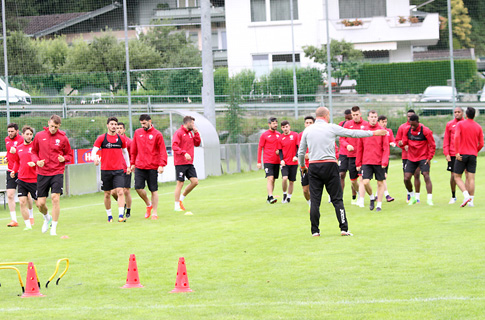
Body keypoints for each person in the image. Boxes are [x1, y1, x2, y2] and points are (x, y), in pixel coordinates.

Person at [298, 107, 386, 237]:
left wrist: (302, 166)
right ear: (326, 115)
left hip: (314, 166)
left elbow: (301, 152)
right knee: (337, 199)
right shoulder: (331, 127)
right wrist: (373, 133)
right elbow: (352, 133)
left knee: (315, 200)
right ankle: (344, 229)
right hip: (330, 166)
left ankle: (315, 231)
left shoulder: (307, 130)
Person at [31, 114, 72, 236]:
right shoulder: (39, 136)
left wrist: (63, 158)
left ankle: (53, 228)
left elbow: (69, 155)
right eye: (51, 126)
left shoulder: (63, 138)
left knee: (55, 198)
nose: (53, 129)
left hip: (57, 172)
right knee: (40, 203)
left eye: (55, 127)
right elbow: (33, 152)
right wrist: (37, 161)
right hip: (42, 173)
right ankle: (47, 218)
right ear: (48, 123)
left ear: (59, 126)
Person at [92, 117, 131, 223]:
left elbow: (125, 153)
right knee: (107, 194)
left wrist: (128, 166)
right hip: (105, 170)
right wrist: (94, 159)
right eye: (112, 124)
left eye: (115, 124)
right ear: (107, 125)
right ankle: (109, 216)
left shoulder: (121, 139)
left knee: (120, 191)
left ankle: (120, 215)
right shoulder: (101, 138)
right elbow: (94, 151)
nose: (114, 126)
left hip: (118, 170)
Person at [130, 114, 167, 220]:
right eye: (141, 123)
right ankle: (148, 204)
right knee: (138, 188)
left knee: (153, 190)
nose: (143, 125)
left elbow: (162, 151)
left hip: (152, 166)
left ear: (150, 121)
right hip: (140, 166)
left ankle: (154, 212)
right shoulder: (137, 133)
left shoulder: (157, 134)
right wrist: (132, 163)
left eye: (144, 123)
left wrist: (161, 165)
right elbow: (133, 149)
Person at [356, 111, 389, 212]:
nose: (373, 119)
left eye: (375, 117)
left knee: (380, 183)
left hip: (379, 162)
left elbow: (386, 147)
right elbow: (360, 147)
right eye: (372, 117)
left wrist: (384, 161)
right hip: (367, 161)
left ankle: (379, 205)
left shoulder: (382, 131)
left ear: (377, 118)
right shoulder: (364, 131)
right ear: (368, 118)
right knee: (365, 182)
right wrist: (358, 163)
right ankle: (371, 197)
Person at [9, 126, 39, 231]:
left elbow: (41, 161)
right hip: (21, 179)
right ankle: (28, 226)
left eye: (31, 134)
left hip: (34, 179)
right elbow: (17, 162)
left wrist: (34, 163)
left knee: (39, 204)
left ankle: (47, 218)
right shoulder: (19, 148)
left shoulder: (36, 147)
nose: (29, 136)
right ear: (22, 135)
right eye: (27, 134)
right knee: (22, 202)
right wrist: (14, 171)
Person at [401, 114, 436, 206]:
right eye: (410, 125)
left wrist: (429, 158)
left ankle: (429, 199)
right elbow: (404, 142)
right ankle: (412, 197)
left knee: (426, 175)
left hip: (423, 157)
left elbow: (432, 145)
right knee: (406, 178)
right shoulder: (407, 130)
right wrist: (401, 143)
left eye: (414, 125)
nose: (412, 127)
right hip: (411, 158)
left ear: (418, 122)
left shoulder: (426, 131)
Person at [453, 107, 484, 207]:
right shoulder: (478, 127)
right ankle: (471, 202)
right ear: (474, 115)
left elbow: (456, 137)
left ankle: (466, 195)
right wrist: (475, 151)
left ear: (465, 115)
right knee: (471, 178)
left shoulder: (460, 124)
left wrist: (457, 152)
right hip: (472, 155)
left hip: (462, 154)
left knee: (457, 177)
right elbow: (482, 144)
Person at [4, 123, 34, 227]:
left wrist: (15, 150)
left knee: (27, 196)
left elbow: (22, 152)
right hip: (11, 170)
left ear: (17, 131)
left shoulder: (23, 139)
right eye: (8, 132)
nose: (10, 133)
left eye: (12, 131)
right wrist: (6, 157)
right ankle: (14, 220)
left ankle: (31, 216)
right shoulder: (7, 140)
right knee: (10, 195)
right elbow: (10, 153)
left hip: (22, 171)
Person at [172, 116, 201, 212]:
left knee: (195, 181)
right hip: (180, 163)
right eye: (192, 123)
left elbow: (197, 143)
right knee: (180, 183)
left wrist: (196, 133)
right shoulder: (179, 133)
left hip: (189, 162)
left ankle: (181, 199)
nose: (193, 125)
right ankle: (176, 206)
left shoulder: (190, 133)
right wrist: (184, 153)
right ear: (188, 123)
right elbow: (174, 146)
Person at [341, 106, 368, 207]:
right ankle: (359, 193)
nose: (355, 117)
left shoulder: (366, 124)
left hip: (363, 156)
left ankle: (361, 199)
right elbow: (342, 138)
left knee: (362, 178)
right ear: (351, 115)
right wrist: (347, 145)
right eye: (353, 115)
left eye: (357, 115)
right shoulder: (347, 124)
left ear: (360, 114)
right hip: (351, 156)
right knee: (353, 181)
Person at [396, 110, 421, 203]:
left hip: (417, 156)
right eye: (408, 116)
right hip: (406, 156)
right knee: (407, 177)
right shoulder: (402, 127)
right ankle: (410, 194)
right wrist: (402, 144)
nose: (409, 118)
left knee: (417, 175)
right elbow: (397, 140)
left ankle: (417, 197)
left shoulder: (420, 127)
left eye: (411, 116)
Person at [111, 122, 133, 218]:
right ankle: (122, 203)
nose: (119, 129)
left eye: (121, 128)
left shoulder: (129, 141)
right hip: (115, 168)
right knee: (113, 192)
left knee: (126, 190)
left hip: (125, 168)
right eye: (117, 128)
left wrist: (131, 166)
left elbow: (132, 154)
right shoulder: (112, 141)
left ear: (124, 130)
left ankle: (128, 210)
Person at [443, 107, 464, 204]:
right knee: (453, 176)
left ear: (462, 113)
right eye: (455, 112)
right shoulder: (450, 124)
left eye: (458, 112)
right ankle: (453, 196)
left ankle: (468, 196)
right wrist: (446, 153)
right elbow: (446, 139)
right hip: (452, 154)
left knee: (468, 175)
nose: (457, 114)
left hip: (464, 153)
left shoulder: (465, 123)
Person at [257, 117, 281, 204]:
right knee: (270, 178)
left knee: (273, 179)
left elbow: (281, 147)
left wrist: (280, 152)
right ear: (269, 124)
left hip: (277, 161)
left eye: (276, 123)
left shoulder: (279, 134)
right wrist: (259, 161)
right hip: (268, 160)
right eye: (274, 123)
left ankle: (269, 197)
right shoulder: (264, 135)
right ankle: (271, 196)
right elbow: (260, 148)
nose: (276, 125)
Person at [338, 109, 358, 204]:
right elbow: (340, 138)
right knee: (341, 174)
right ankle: (340, 197)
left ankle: (354, 196)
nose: (347, 120)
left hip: (353, 154)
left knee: (353, 176)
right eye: (346, 118)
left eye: (349, 118)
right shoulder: (341, 124)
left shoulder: (356, 125)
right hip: (343, 153)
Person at [277, 120, 299, 203]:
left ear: (289, 127)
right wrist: (281, 160)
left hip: (293, 162)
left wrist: (296, 156)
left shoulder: (295, 135)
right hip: (285, 162)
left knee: (291, 181)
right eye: (283, 127)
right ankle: (284, 194)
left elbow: (299, 147)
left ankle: (289, 197)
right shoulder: (280, 138)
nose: (285, 128)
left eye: (286, 127)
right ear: (281, 128)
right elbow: (280, 150)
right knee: (284, 178)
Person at [377, 115, 396, 202]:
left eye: (385, 122)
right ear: (379, 122)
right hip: (377, 157)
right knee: (382, 177)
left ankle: (377, 195)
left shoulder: (389, 131)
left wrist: (392, 143)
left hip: (385, 157)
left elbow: (392, 140)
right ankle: (387, 195)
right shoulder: (376, 131)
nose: (384, 124)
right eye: (382, 122)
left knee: (383, 177)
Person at [298, 116, 314, 207]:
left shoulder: (317, 134)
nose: (308, 124)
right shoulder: (300, 135)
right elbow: (299, 150)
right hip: (304, 166)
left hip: (315, 164)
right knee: (305, 190)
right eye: (307, 123)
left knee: (314, 188)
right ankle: (310, 203)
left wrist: (310, 155)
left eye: (310, 123)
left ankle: (313, 206)